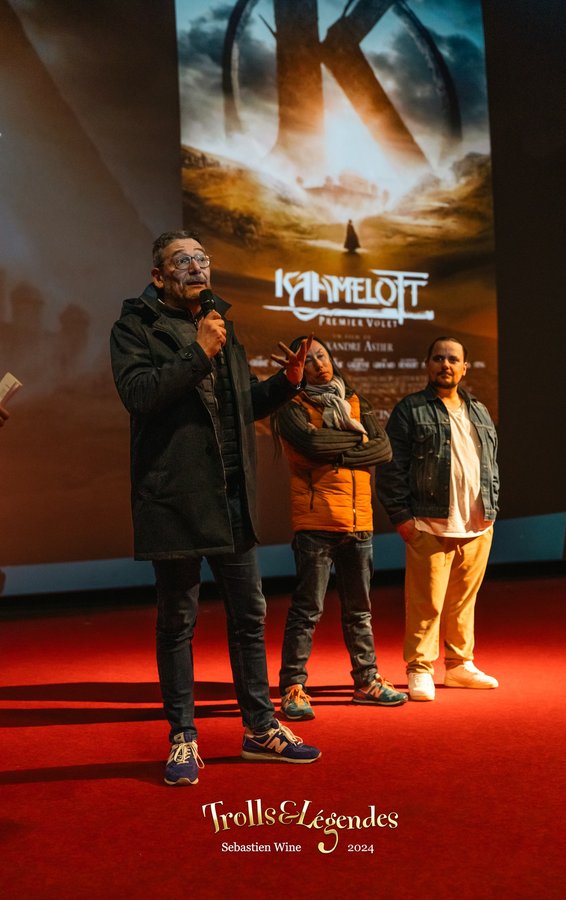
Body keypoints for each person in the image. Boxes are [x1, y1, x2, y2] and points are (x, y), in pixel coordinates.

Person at [110, 230, 321, 785]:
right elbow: (140, 394)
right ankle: (183, 738)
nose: (197, 267)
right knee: (177, 620)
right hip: (174, 498)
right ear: (159, 275)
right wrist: (197, 350)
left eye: (202, 258)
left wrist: (284, 386)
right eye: (183, 260)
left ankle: (260, 728)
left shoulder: (219, 323)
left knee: (249, 618)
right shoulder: (136, 326)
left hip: (230, 497)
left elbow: (236, 404)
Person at [272, 336, 408, 720]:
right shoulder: (291, 407)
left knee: (359, 610)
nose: (318, 363)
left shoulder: (353, 400)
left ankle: (367, 680)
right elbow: (310, 446)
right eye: (309, 359)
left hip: (359, 522)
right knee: (307, 610)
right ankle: (293, 685)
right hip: (316, 523)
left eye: (322, 355)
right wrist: (357, 441)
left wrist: (339, 448)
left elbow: (383, 450)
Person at [376, 337, 499, 701]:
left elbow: (491, 464)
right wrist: (402, 517)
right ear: (427, 364)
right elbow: (391, 467)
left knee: (463, 601)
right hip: (429, 523)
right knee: (425, 600)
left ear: (464, 367)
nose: (445, 364)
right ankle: (420, 667)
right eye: (438, 358)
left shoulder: (479, 410)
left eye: (453, 359)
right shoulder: (410, 410)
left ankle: (459, 665)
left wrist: (492, 509)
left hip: (478, 524)